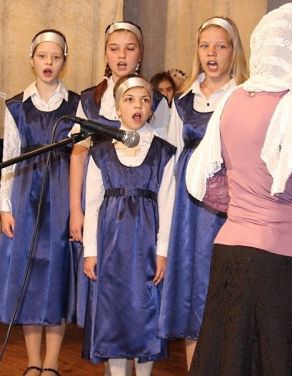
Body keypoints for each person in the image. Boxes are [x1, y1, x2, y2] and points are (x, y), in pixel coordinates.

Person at [184, 2, 292, 375]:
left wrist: (247, 205)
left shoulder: (232, 99)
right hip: (280, 262)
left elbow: (204, 181)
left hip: (231, 253)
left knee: (232, 364)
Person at [158, 16, 248, 369]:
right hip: (189, 210)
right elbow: (170, 166)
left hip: (229, 207)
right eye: (205, 46)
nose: (212, 53)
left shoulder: (244, 97)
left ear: (233, 51)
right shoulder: (181, 102)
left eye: (220, 46)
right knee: (193, 297)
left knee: (227, 294)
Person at [0, 30, 79, 376]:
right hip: (26, 196)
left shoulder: (75, 105)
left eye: (55, 57)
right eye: (42, 56)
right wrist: (5, 205)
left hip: (60, 198)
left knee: (56, 277)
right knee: (29, 278)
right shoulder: (16, 106)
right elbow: (9, 157)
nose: (48, 63)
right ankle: (33, 362)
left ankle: (52, 363)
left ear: (64, 62)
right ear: (32, 60)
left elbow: (80, 158)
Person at [68, 21, 169, 328]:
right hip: (105, 210)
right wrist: (76, 210)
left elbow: (162, 158)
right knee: (106, 291)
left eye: (130, 48)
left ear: (140, 54)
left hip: (143, 214)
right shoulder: (90, 100)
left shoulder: (156, 101)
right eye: (114, 49)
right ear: (105, 54)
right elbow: (79, 154)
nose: (122, 55)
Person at [81, 74, 176, 376]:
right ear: (117, 108)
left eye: (145, 100)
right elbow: (92, 203)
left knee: (144, 313)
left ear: (151, 109)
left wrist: (162, 250)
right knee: (114, 316)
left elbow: (168, 204)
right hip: (111, 245)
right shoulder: (101, 152)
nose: (138, 106)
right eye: (130, 100)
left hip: (146, 245)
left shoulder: (164, 151)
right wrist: (90, 250)